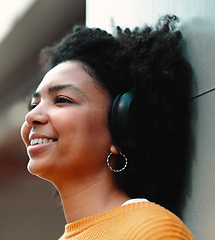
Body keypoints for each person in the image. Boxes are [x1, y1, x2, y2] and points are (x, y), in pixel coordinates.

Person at [20, 15, 194, 240]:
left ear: (120, 124)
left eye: (62, 99)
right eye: (34, 104)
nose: (32, 116)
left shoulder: (152, 230)